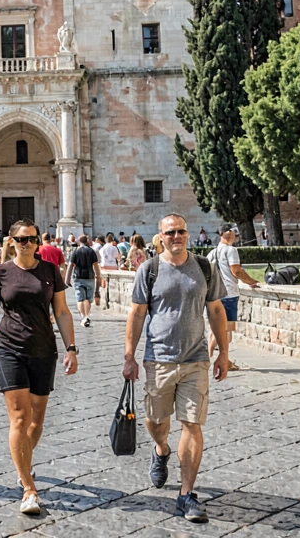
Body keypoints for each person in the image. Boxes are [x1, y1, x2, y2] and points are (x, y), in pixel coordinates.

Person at [122, 214, 230, 524]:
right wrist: (129, 356)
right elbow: (137, 314)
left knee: (192, 424)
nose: (177, 236)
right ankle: (160, 449)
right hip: (159, 359)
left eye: (181, 231)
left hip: (196, 359)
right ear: (161, 237)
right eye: (171, 232)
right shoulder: (150, 269)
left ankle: (186, 495)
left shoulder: (204, 268)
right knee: (157, 421)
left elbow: (216, 309)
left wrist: (223, 352)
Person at [0, 220, 77, 516]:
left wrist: (72, 348)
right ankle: (29, 488)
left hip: (44, 350)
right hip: (10, 349)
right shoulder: (0, 273)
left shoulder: (49, 271)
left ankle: (24, 464)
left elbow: (61, 311)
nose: (27, 243)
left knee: (36, 420)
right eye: (21, 239)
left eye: (32, 238)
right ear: (11, 241)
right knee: (19, 418)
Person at [206, 224, 259, 371]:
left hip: (214, 295)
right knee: (225, 331)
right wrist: (251, 282)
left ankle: (220, 359)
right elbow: (236, 271)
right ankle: (211, 359)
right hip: (228, 295)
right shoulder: (231, 250)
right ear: (228, 233)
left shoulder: (212, 253)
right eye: (233, 232)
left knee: (217, 329)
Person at [66, 235, 102, 328]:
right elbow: (96, 266)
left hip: (78, 277)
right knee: (88, 299)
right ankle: (86, 316)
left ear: (79, 242)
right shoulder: (91, 251)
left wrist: (67, 279)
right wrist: (98, 278)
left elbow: (70, 266)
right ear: (87, 241)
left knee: (80, 299)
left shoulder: (76, 251)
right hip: (90, 277)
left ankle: (84, 317)